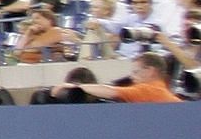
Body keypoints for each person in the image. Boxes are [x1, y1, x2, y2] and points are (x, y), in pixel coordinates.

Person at [47, 52, 182, 103]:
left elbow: (112, 92)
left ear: (150, 71)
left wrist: (76, 86)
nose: (132, 77)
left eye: (136, 72)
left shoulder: (149, 90)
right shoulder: (160, 91)